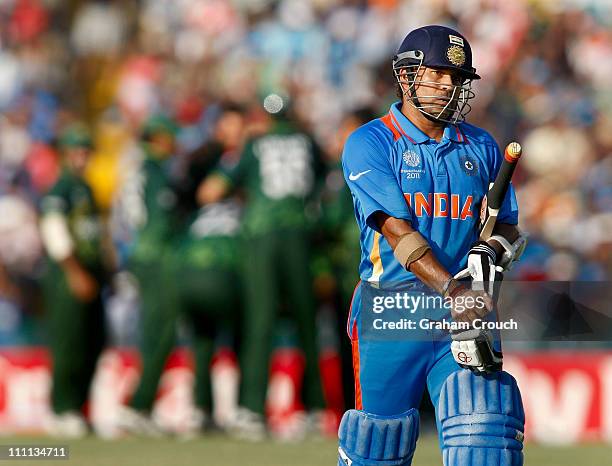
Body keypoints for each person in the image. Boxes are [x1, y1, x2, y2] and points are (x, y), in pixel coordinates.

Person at [337, 25, 527, 466]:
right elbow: (398, 233)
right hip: (391, 309)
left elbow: (509, 227)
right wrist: (455, 292)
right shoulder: (370, 142)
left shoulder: (481, 145)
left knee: (486, 436)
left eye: (457, 77)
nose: (450, 85)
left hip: (464, 314)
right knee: (377, 447)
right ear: (406, 77)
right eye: (438, 74)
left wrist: (493, 251)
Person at [198, 94, 326, 439]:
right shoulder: (307, 141)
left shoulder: (254, 143)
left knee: (261, 321)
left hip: (263, 237)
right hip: (300, 234)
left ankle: (254, 409)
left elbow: (210, 191)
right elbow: (324, 185)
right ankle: (314, 409)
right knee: (306, 323)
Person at [114, 114, 181, 435]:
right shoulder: (155, 172)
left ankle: (141, 404)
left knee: (154, 331)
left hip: (138, 256)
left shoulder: (138, 170)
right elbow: (161, 221)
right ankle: (139, 404)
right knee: (161, 330)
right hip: (155, 256)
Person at [40, 123, 107, 437]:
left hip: (91, 273)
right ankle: (62, 409)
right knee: (69, 342)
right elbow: (54, 233)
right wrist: (75, 273)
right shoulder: (61, 188)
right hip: (69, 276)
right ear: (65, 155)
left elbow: (93, 233)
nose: (82, 156)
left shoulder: (87, 188)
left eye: (85, 150)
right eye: (76, 151)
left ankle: (80, 407)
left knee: (93, 340)